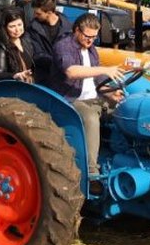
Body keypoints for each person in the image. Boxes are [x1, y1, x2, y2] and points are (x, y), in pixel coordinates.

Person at [50, 14, 125, 180]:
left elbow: (96, 79)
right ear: (77, 30)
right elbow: (72, 71)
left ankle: (122, 156)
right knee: (90, 118)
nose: (91, 40)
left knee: (125, 111)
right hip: (69, 99)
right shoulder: (63, 46)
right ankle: (91, 170)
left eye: (94, 37)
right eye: (87, 36)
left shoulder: (91, 49)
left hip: (93, 96)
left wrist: (110, 92)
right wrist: (105, 70)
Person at [28, 0, 73, 82]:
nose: (35, 16)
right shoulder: (33, 28)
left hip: (64, 79)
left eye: (38, 13)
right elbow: (36, 53)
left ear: (49, 13)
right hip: (43, 77)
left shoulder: (69, 29)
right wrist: (58, 63)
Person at [0, 8, 35, 83]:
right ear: (5, 28)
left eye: (19, 25)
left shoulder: (26, 40)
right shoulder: (0, 46)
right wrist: (15, 75)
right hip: (10, 88)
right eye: (12, 26)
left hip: (27, 85)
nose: (17, 29)